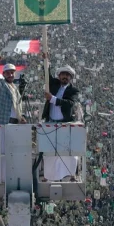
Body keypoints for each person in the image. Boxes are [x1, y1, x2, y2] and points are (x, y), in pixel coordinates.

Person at [40, 51, 81, 182]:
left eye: (67, 75)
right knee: (49, 151)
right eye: (63, 74)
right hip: (51, 123)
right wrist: (46, 60)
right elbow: (47, 74)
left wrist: (52, 99)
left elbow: (69, 104)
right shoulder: (54, 84)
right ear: (59, 76)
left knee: (68, 151)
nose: (65, 77)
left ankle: (71, 174)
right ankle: (48, 175)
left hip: (65, 124)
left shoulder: (73, 90)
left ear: (71, 78)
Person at [0, 57, 26, 183]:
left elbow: (16, 106)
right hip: (4, 123)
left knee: (11, 152)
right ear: (4, 74)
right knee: (0, 151)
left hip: (14, 124)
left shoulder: (15, 88)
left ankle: (7, 177)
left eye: (12, 72)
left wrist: (21, 118)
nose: (10, 75)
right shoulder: (2, 85)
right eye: (8, 73)